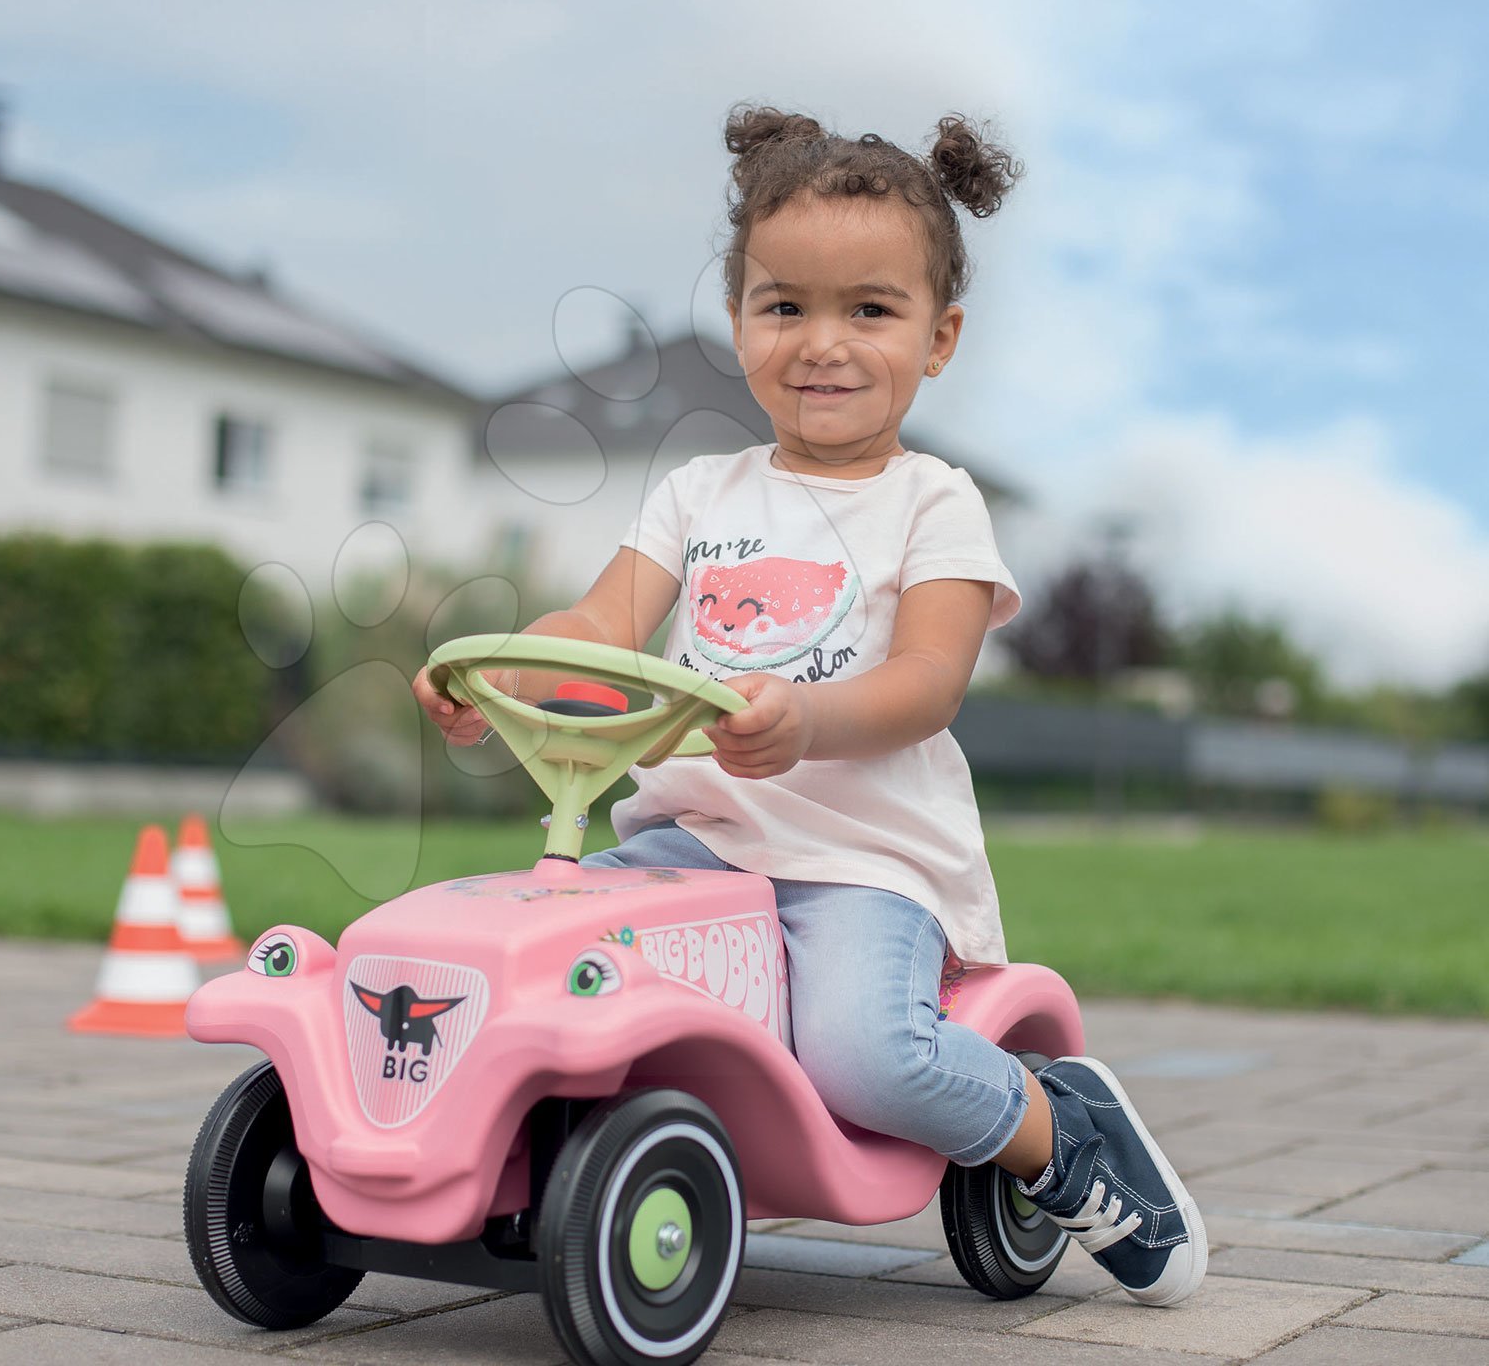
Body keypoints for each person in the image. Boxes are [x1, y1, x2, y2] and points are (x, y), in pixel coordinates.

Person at [412, 105, 1206, 1307]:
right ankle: (524, 1164)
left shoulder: (933, 503)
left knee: (864, 1052)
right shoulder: (696, 493)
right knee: (527, 957)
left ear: (937, 339)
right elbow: (597, 629)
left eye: (869, 311)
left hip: (861, 862)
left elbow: (927, 685)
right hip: (694, 845)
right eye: (785, 306)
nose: (822, 343)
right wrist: (498, 670)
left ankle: (1059, 1128)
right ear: (738, 324)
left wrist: (807, 724)